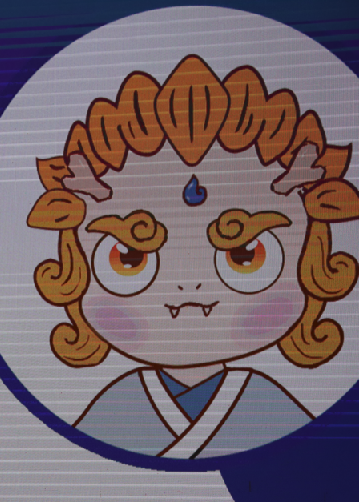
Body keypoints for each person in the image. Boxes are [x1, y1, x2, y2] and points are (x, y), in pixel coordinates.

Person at [27, 55, 359, 458]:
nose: (189, 285)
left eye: (246, 255)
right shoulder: (114, 410)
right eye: (128, 259)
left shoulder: (274, 412)